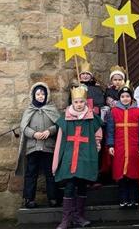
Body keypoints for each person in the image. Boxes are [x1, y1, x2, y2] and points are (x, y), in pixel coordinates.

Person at [52, 85, 103, 229]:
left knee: (82, 185)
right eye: (76, 102)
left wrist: (97, 146)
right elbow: (60, 140)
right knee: (69, 186)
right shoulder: (65, 118)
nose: (79, 105)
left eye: (81, 102)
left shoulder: (92, 118)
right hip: (70, 157)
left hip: (85, 157)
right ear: (72, 103)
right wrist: (57, 161)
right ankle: (66, 219)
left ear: (85, 102)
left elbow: (98, 134)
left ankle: (78, 216)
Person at [15, 82, 61, 208]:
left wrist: (49, 131)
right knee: (31, 173)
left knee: (50, 173)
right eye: (38, 94)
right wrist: (34, 134)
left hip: (48, 146)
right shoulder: (29, 110)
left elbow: (59, 124)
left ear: (47, 95)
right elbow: (23, 127)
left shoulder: (51, 108)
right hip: (33, 147)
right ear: (33, 95)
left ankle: (53, 198)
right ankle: (29, 199)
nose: (40, 96)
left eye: (42, 94)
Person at [106, 85, 139, 208]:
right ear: (119, 98)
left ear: (131, 98)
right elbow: (110, 130)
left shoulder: (138, 111)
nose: (125, 98)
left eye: (127, 96)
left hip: (133, 147)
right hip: (120, 147)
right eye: (122, 96)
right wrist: (110, 144)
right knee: (121, 174)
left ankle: (134, 199)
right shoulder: (114, 111)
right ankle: (123, 199)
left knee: (133, 174)